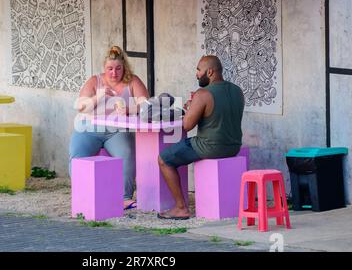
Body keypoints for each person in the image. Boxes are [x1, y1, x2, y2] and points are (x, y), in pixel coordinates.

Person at [157, 55, 245, 220]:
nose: (197, 74)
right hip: (234, 146)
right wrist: (196, 107)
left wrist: (190, 109)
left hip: (209, 146)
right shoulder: (237, 90)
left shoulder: (203, 93)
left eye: (199, 70)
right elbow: (220, 115)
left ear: (210, 72)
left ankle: (181, 208)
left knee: (164, 159)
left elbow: (187, 125)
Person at [69, 46, 149, 210]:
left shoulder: (132, 80)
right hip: (89, 128)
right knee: (77, 155)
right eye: (110, 69)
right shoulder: (95, 81)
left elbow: (147, 105)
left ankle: (125, 197)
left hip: (116, 131)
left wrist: (129, 109)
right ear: (104, 68)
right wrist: (98, 96)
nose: (114, 73)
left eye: (118, 68)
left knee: (126, 154)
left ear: (124, 67)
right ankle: (83, 193)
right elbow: (81, 107)